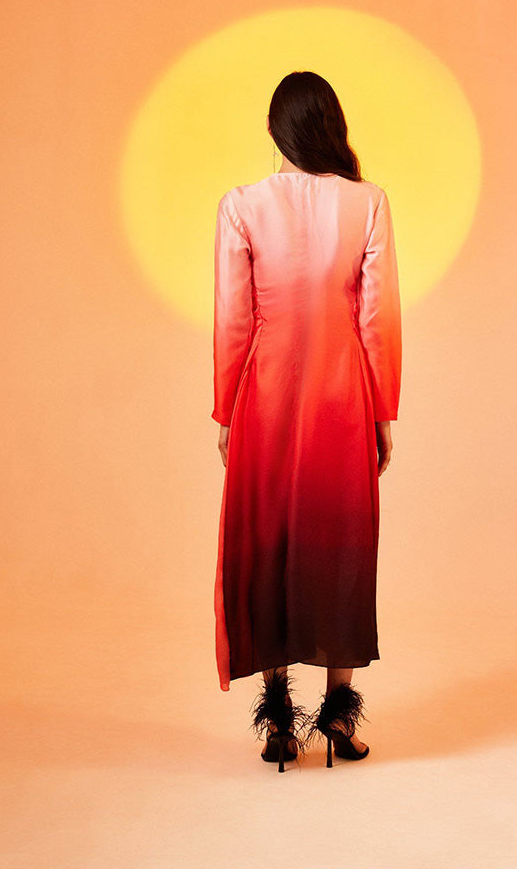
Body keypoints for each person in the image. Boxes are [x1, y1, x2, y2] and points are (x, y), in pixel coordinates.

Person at [212, 71, 402, 771]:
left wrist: (226, 409)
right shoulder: (368, 202)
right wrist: (383, 410)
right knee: (342, 543)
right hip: (342, 396)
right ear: (331, 126)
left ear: (275, 130)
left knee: (270, 541)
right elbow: (376, 319)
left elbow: (234, 318)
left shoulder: (242, 205)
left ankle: (278, 725)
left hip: (265, 395)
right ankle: (339, 720)